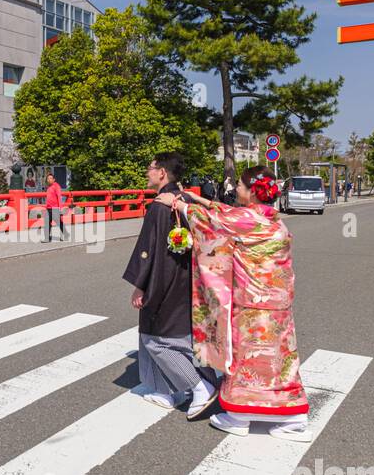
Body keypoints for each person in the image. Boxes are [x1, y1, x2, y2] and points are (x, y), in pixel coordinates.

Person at [157, 166, 311, 440]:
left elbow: (211, 222)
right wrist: (200, 199)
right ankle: (292, 417)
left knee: (247, 361)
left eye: (239, 185)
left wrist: (178, 203)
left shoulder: (245, 219)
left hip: (253, 303)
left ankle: (239, 416)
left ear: (252, 191)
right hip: (278, 305)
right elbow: (224, 213)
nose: (235, 189)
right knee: (280, 363)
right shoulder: (272, 218)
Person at [122, 152, 217, 411]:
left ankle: (198, 385)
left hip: (162, 278)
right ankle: (167, 392)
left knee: (156, 337)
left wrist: (139, 284)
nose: (147, 172)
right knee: (177, 334)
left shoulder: (160, 205)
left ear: (162, 172)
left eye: (151, 168)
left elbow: (147, 250)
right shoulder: (185, 200)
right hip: (187, 277)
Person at [43, 173, 68, 242]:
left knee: (59, 222)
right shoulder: (48, 187)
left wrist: (61, 208)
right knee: (47, 222)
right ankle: (47, 238)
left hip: (55, 208)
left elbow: (59, 197)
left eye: (50, 178)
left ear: (54, 179)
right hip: (48, 208)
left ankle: (66, 234)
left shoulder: (56, 186)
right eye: (48, 179)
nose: (49, 180)